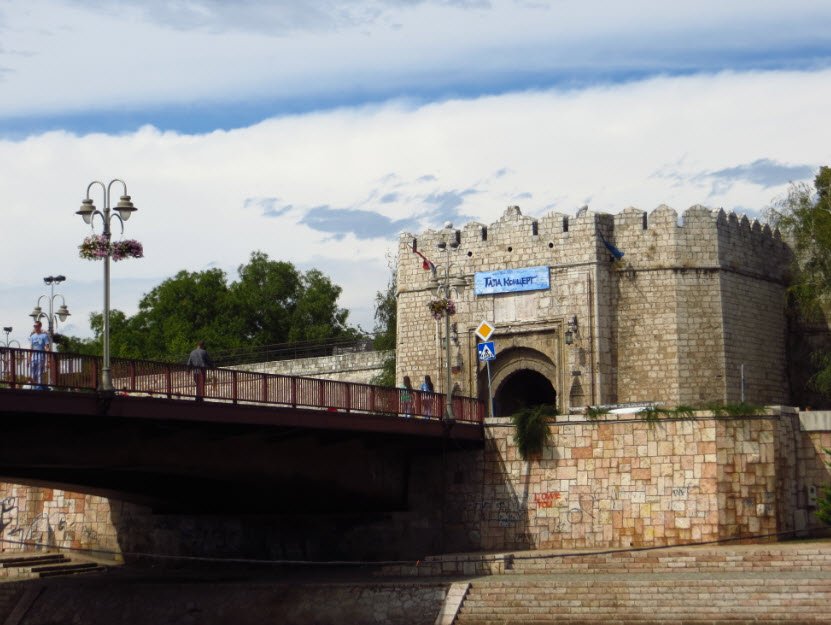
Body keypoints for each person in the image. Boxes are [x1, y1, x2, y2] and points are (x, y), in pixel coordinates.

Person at [29, 321, 50, 390]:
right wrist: (29, 359)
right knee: (32, 372)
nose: (35, 327)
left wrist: (48, 359)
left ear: (40, 326)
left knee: (39, 372)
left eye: (37, 326)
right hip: (33, 357)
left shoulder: (44, 335)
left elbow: (47, 347)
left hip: (41, 356)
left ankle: (39, 387)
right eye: (34, 326)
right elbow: (31, 348)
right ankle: (33, 386)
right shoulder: (32, 336)